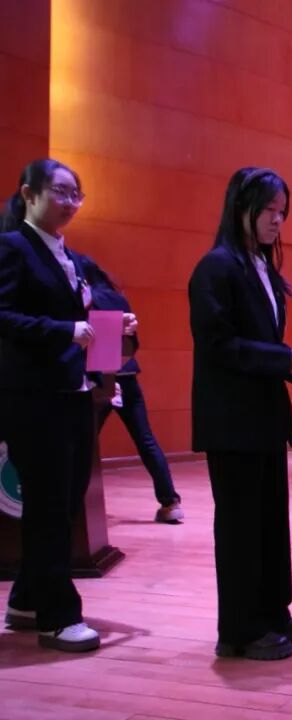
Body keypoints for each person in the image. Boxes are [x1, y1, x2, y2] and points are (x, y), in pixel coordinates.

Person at [188, 167, 292, 661]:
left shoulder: (260, 265)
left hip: (262, 418)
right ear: (240, 208)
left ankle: (271, 611)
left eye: (282, 211)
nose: (277, 220)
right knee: (240, 526)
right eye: (268, 210)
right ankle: (239, 630)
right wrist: (282, 359)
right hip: (231, 421)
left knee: (268, 523)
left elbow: (263, 346)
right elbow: (218, 344)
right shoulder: (215, 268)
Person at [0, 158, 132, 652]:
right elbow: (3, 316)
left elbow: (87, 315)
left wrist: (117, 324)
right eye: (60, 192)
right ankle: (58, 617)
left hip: (74, 393)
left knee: (64, 502)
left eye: (76, 194)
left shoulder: (69, 255)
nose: (70, 203)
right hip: (35, 398)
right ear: (28, 194)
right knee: (50, 507)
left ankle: (26, 600)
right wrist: (65, 330)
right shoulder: (13, 248)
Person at [80, 257, 184, 523]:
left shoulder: (86, 299)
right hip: (126, 373)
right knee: (145, 439)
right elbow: (131, 341)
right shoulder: (118, 298)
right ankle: (170, 502)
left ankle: (76, 502)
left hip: (101, 376)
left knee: (84, 442)